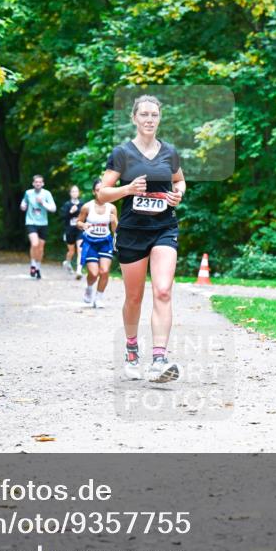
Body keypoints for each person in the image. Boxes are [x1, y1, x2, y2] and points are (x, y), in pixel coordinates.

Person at [96, 95, 185, 382]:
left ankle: (159, 358)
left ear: (160, 119)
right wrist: (128, 189)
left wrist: (178, 194)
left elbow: (179, 180)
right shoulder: (123, 153)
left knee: (162, 290)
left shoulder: (169, 152)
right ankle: (132, 348)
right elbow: (101, 192)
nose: (149, 119)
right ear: (134, 118)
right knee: (134, 297)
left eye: (154, 115)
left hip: (164, 228)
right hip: (132, 231)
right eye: (144, 114)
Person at [77, 179, 118, 308]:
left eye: (103, 190)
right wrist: (83, 225)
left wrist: (114, 221)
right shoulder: (87, 207)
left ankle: (98, 298)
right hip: (90, 242)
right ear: (94, 191)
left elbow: (115, 230)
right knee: (94, 273)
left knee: (104, 271)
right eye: (98, 190)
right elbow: (78, 222)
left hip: (105, 242)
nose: (101, 192)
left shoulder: (112, 208)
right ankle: (89, 288)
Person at [20, 174, 56, 279]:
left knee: (40, 248)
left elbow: (53, 209)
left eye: (40, 182)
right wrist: (23, 206)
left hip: (43, 223)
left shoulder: (47, 194)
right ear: (33, 183)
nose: (38, 184)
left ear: (43, 183)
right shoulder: (28, 193)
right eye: (36, 182)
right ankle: (32, 265)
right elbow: (23, 203)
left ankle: (38, 268)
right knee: (35, 244)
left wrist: (43, 203)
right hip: (31, 222)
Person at [59, 186, 84, 279]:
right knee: (71, 251)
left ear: (78, 193)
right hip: (69, 231)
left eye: (76, 191)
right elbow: (62, 217)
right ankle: (67, 262)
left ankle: (79, 270)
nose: (74, 193)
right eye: (73, 191)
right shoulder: (66, 205)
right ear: (70, 193)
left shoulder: (82, 204)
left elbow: (86, 216)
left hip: (79, 230)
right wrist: (70, 212)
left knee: (80, 250)